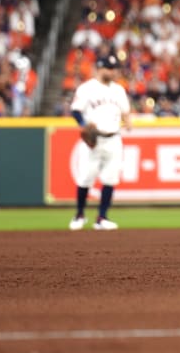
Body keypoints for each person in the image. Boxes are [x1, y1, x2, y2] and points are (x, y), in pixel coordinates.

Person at [68, 54, 132, 231]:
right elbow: (75, 111)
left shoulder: (118, 90)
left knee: (110, 179)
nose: (112, 72)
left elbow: (125, 110)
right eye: (108, 68)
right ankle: (79, 215)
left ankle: (102, 218)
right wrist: (83, 125)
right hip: (93, 140)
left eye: (113, 69)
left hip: (114, 138)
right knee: (85, 178)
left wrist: (128, 121)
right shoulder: (87, 88)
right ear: (99, 68)